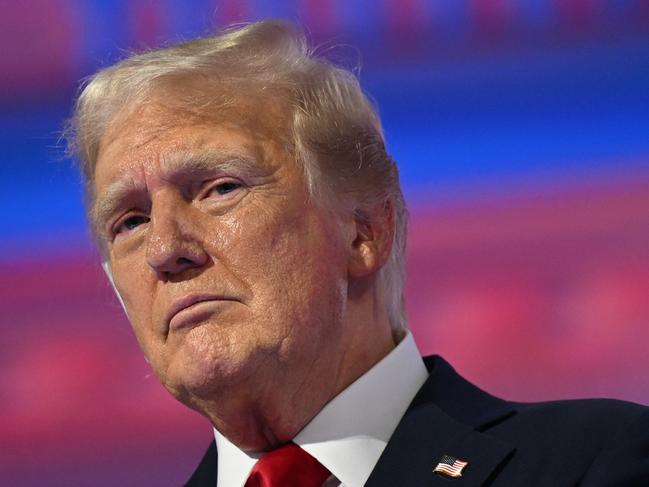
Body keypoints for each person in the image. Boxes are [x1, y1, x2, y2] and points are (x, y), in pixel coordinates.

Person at [66, 19, 649, 487]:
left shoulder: (594, 463)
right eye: (131, 221)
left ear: (364, 231)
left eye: (220, 188)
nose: (165, 250)